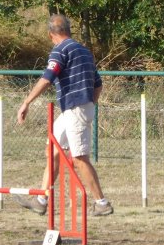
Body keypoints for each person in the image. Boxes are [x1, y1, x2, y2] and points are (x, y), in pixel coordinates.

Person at [14, 13, 113, 216]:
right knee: (54, 150)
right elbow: (98, 84)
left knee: (79, 158)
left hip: (75, 110)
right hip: (76, 109)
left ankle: (101, 203)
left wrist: (27, 101)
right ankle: (42, 200)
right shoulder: (84, 51)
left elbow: (47, 78)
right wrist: (90, 104)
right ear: (68, 30)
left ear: (51, 34)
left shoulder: (60, 50)